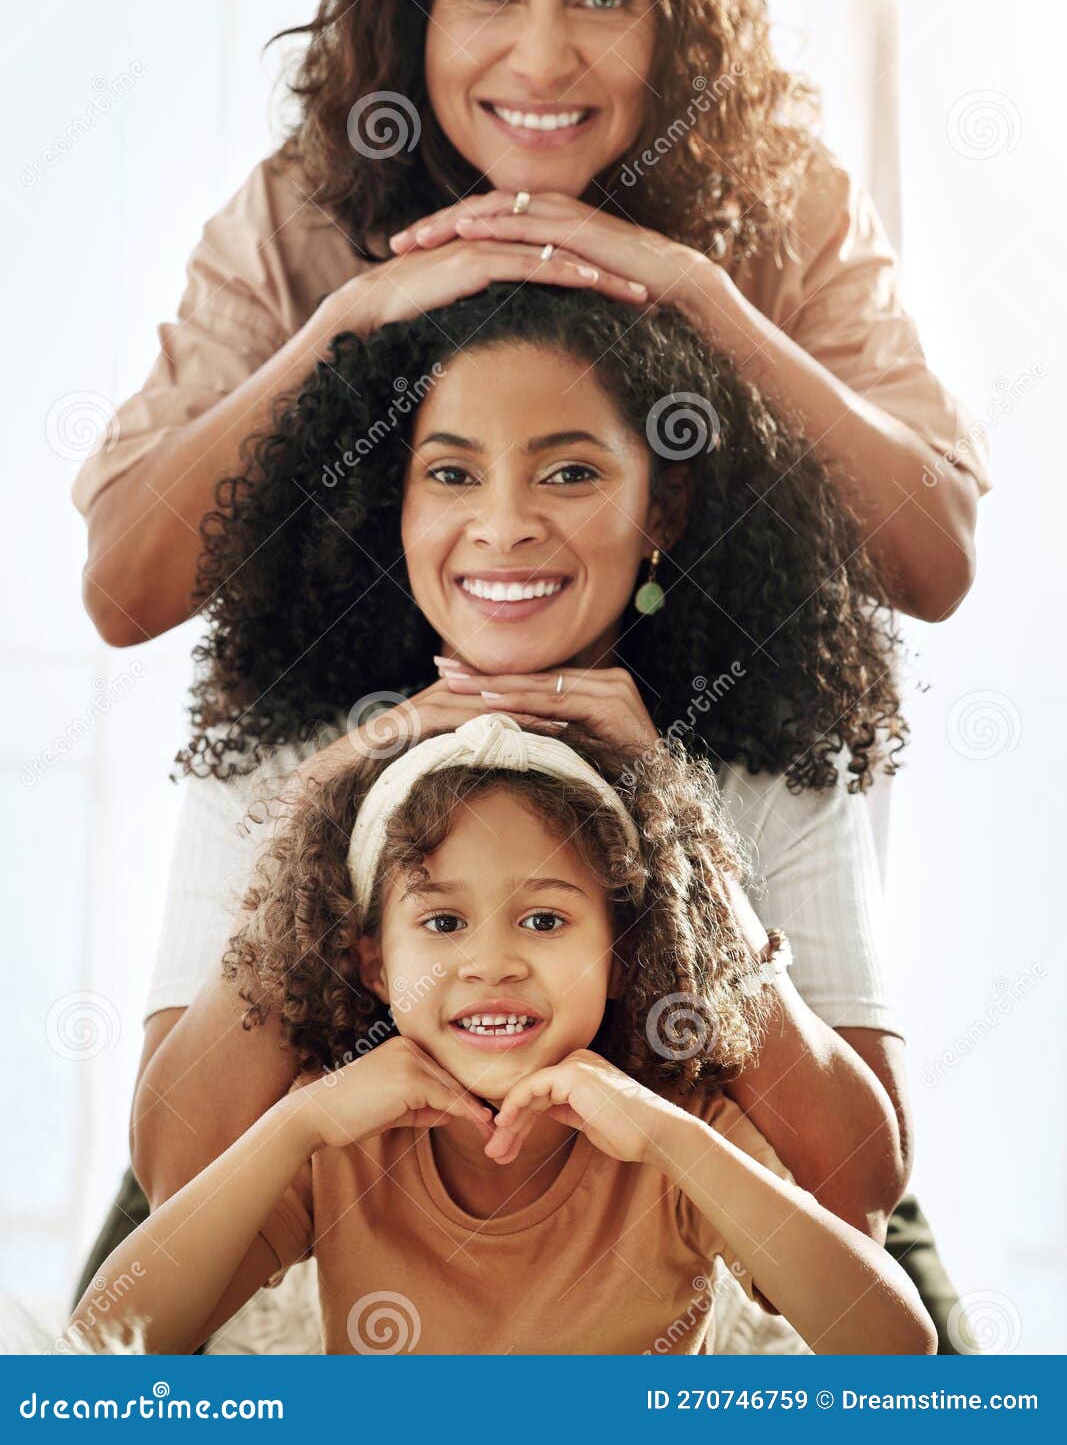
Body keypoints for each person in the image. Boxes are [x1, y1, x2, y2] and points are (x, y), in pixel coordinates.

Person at [77, 285, 966, 1348]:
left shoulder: (761, 749)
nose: (503, 525)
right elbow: (178, 1176)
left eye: (572, 472)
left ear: (662, 508)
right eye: (450, 473)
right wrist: (328, 793)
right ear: (390, 504)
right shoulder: (298, 739)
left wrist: (676, 821)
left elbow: (856, 1189)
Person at [75, 0, 987, 649]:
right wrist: (346, 320)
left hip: (703, 784)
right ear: (416, 14)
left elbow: (933, 565)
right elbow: (124, 592)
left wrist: (705, 298)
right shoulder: (304, 210)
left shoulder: (787, 205)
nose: (545, 61)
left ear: (674, 34)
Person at [69, 713, 936, 1356]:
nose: (492, 962)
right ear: (374, 964)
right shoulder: (335, 1140)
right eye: (443, 923)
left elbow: (895, 1355)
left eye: (545, 920)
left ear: (622, 952)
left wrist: (671, 1140)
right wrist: (296, 1124)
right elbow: (109, 1347)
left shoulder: (681, 1129)